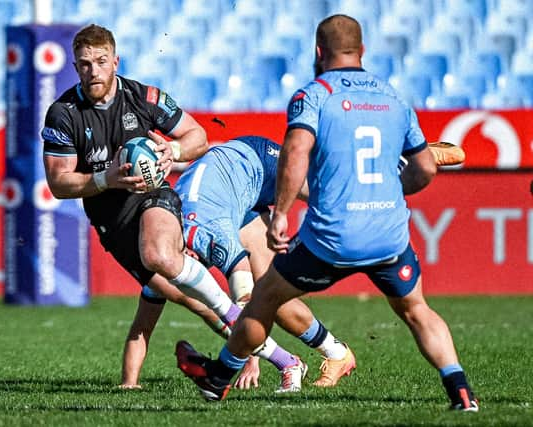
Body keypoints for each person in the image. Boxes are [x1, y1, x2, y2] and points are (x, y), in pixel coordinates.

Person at [176, 15, 479, 412]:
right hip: (388, 235)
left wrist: (281, 213)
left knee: (264, 297)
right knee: (417, 310)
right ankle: (460, 391)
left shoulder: (313, 95)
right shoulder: (393, 98)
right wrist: (391, 190)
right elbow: (425, 169)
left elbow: (295, 154)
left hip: (334, 236)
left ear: (318, 52)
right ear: (363, 51)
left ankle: (219, 378)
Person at [41, 23, 260, 379]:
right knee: (185, 296)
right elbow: (59, 182)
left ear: (116, 61)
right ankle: (248, 348)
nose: (93, 70)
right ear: (75, 66)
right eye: (84, 64)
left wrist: (170, 150)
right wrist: (105, 178)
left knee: (173, 268)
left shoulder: (145, 97)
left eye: (100, 61)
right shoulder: (63, 113)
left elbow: (198, 137)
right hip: (113, 220)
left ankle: (255, 353)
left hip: (154, 198)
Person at [121, 136, 357, 391]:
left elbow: (244, 298)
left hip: (254, 161)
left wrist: (250, 361)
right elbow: (142, 325)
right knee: (273, 293)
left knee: (331, 203)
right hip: (230, 193)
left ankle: (371, 211)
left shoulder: (209, 235)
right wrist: (129, 383)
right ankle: (336, 354)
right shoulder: (165, 260)